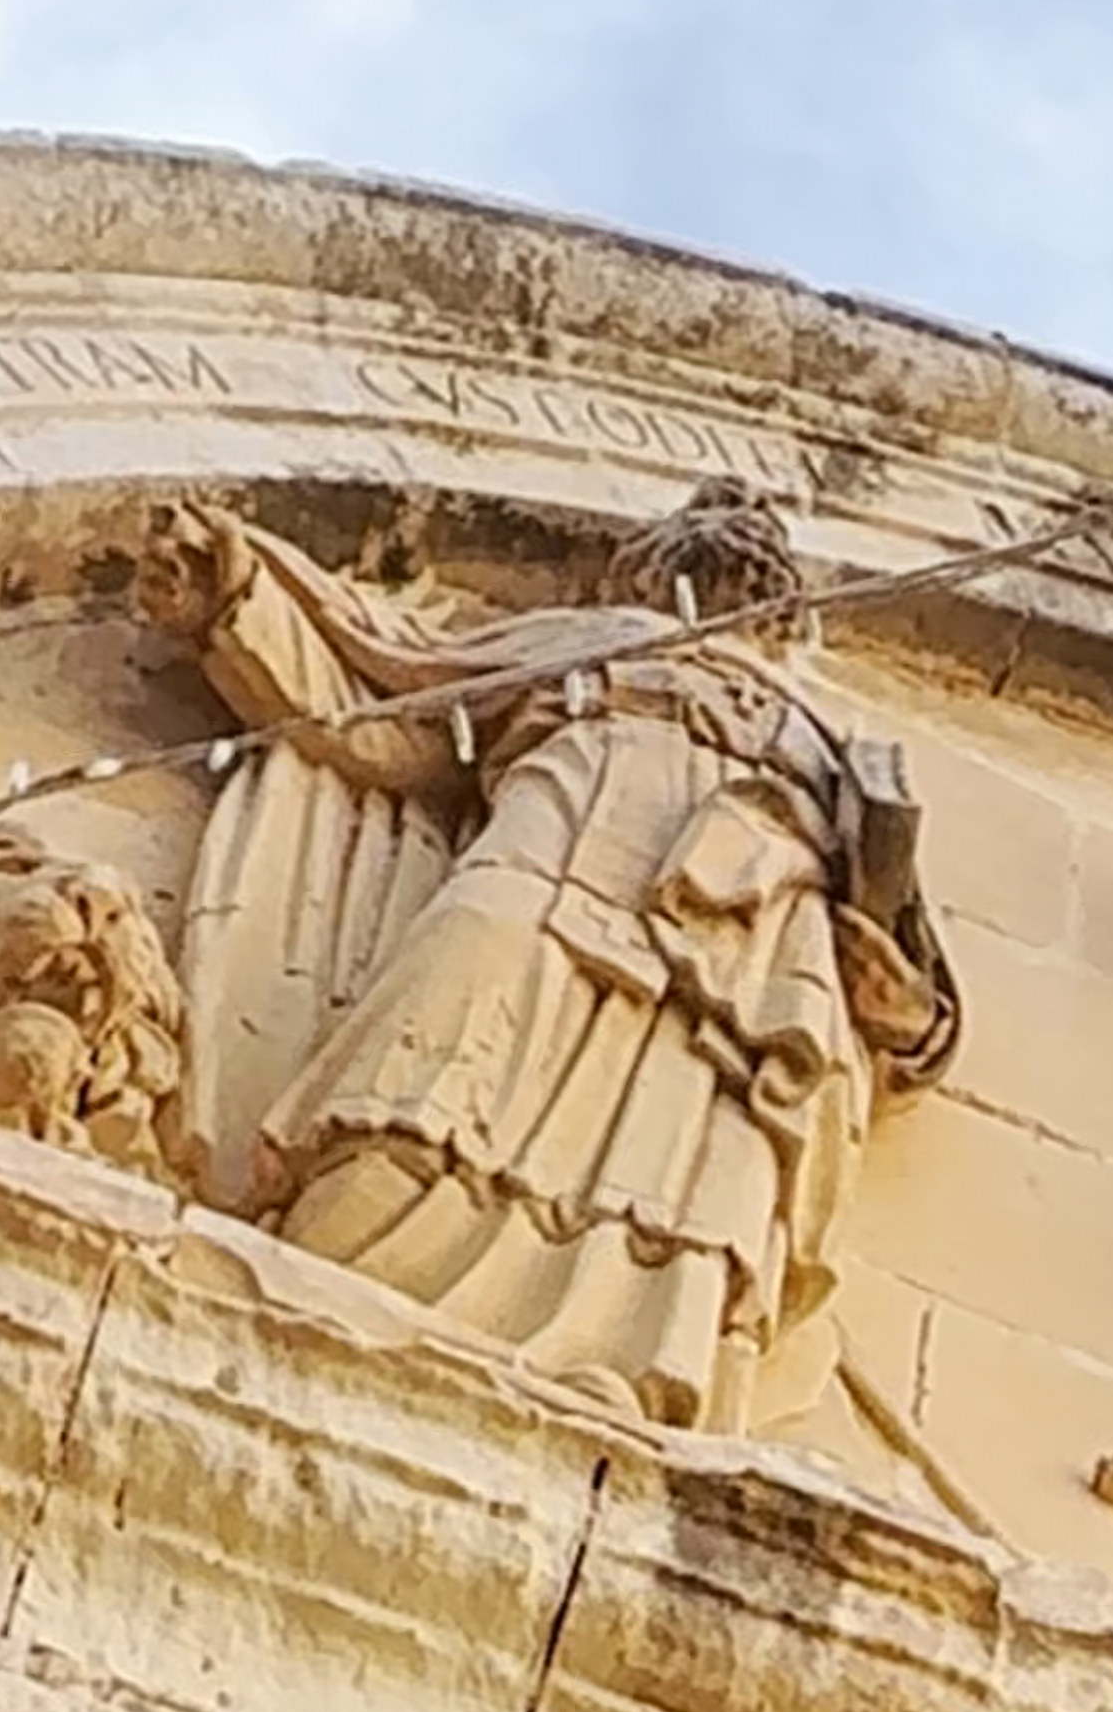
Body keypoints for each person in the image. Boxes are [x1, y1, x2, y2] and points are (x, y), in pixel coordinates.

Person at [138, 479, 956, 1429]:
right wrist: (242, 604)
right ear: (650, 570)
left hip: (736, 974)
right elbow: (394, 705)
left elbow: (909, 967)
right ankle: (338, 1267)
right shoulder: (584, 640)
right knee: (436, 1051)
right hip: (547, 867)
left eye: (750, 557)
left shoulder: (834, 744)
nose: (730, 556)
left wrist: (908, 1009)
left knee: (677, 1160)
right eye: (704, 544)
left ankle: (624, 1370)